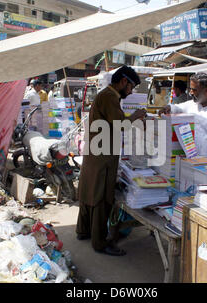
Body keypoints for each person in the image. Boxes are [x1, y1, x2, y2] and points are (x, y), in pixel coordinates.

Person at [76, 65, 147, 256]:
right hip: (103, 156)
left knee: (89, 191)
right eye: (131, 87)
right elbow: (120, 124)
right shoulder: (109, 96)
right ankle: (100, 243)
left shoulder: (107, 96)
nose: (130, 92)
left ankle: (83, 231)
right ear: (123, 82)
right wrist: (137, 115)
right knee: (100, 197)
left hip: (96, 153)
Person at [158, 72, 207, 163]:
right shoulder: (191, 105)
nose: (191, 93)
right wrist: (167, 107)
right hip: (193, 163)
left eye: (194, 90)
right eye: (190, 89)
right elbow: (176, 107)